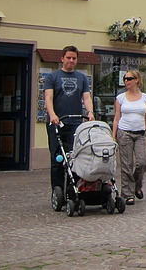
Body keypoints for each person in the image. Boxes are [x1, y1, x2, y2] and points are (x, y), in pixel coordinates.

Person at [44, 45, 95, 194]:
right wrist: (52, 115)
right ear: (62, 59)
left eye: (74, 58)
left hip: (75, 123)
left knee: (75, 158)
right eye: (68, 58)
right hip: (57, 123)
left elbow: (86, 97)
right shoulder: (52, 77)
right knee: (57, 159)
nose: (71, 61)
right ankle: (57, 191)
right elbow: (48, 98)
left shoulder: (82, 78)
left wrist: (90, 112)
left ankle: (72, 190)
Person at [112, 69, 146, 205]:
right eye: (125, 78)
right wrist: (114, 136)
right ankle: (127, 193)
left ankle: (136, 185)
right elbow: (117, 118)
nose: (126, 81)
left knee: (142, 162)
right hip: (124, 133)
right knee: (126, 165)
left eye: (129, 78)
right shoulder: (121, 98)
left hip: (140, 133)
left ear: (136, 80)